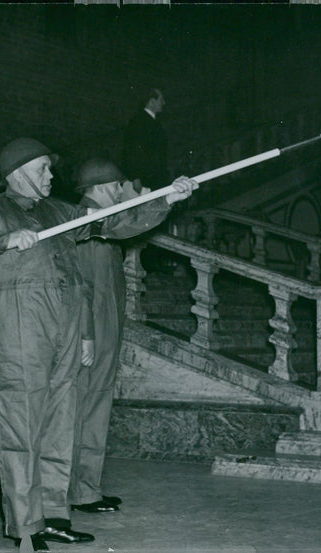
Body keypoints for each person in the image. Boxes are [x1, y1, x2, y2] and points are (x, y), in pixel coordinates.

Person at [0, 139, 196, 551]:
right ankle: (25, 528)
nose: (52, 176)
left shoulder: (60, 212)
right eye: (44, 169)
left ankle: (53, 516)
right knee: (21, 433)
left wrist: (165, 200)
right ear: (18, 172)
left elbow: (113, 223)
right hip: (20, 337)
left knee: (59, 429)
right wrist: (5, 240)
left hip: (63, 335)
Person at [69, 158, 194, 514]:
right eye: (118, 188)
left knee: (96, 407)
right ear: (105, 188)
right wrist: (85, 335)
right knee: (85, 408)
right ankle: (75, 489)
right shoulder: (88, 221)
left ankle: (86, 489)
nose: (120, 193)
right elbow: (82, 288)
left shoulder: (103, 222)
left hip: (105, 328)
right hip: (90, 332)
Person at [121, 88, 168, 192]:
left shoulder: (155, 123)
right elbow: (131, 150)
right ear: (151, 102)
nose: (164, 103)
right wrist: (136, 178)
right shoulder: (138, 121)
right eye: (161, 100)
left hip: (154, 180)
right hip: (143, 182)